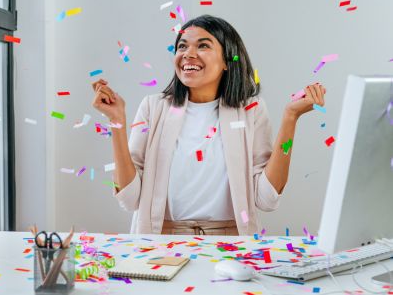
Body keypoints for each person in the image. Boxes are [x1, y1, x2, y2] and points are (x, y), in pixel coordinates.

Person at [91, 15, 326, 236]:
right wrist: (117, 122)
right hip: (162, 239)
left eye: (203, 46)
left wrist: (290, 118)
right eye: (182, 46)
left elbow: (266, 198)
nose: (188, 54)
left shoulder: (251, 110)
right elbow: (129, 199)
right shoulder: (153, 107)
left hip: (231, 240)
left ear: (227, 60)